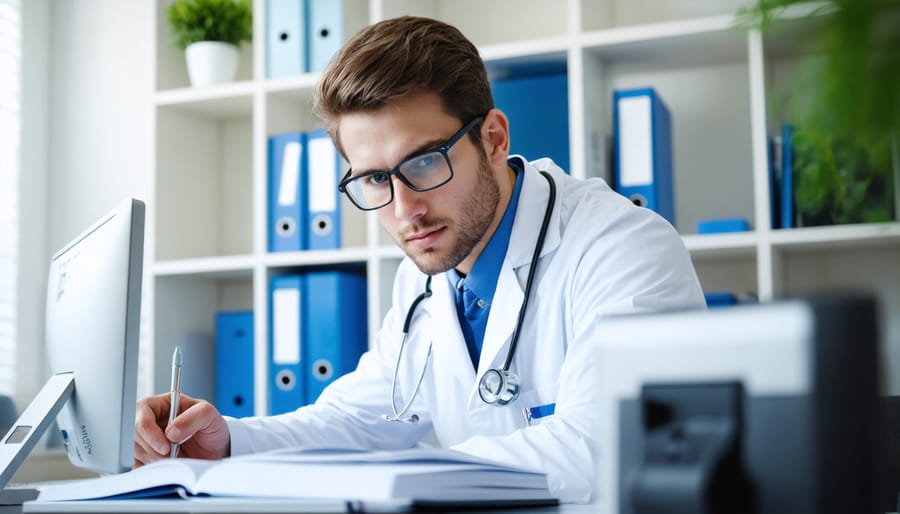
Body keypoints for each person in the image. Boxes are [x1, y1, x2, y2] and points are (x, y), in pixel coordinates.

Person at [134, 16, 705, 503]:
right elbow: (362, 418)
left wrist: (402, 478)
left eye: (426, 162)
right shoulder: (422, 280)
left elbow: (606, 443)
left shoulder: (621, 246)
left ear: (494, 138)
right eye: (374, 179)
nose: (405, 208)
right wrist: (227, 439)